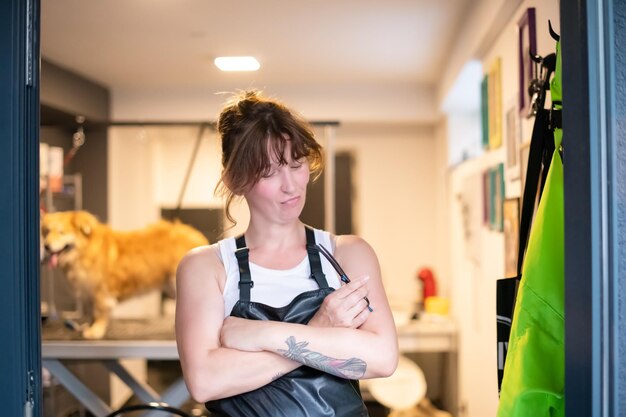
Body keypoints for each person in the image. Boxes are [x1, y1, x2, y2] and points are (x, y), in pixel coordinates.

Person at [175, 90, 399, 417]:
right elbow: (205, 381)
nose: (290, 186)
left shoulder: (347, 255)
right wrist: (321, 327)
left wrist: (259, 334)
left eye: (296, 165)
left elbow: (382, 358)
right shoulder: (207, 267)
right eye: (269, 172)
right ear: (234, 180)